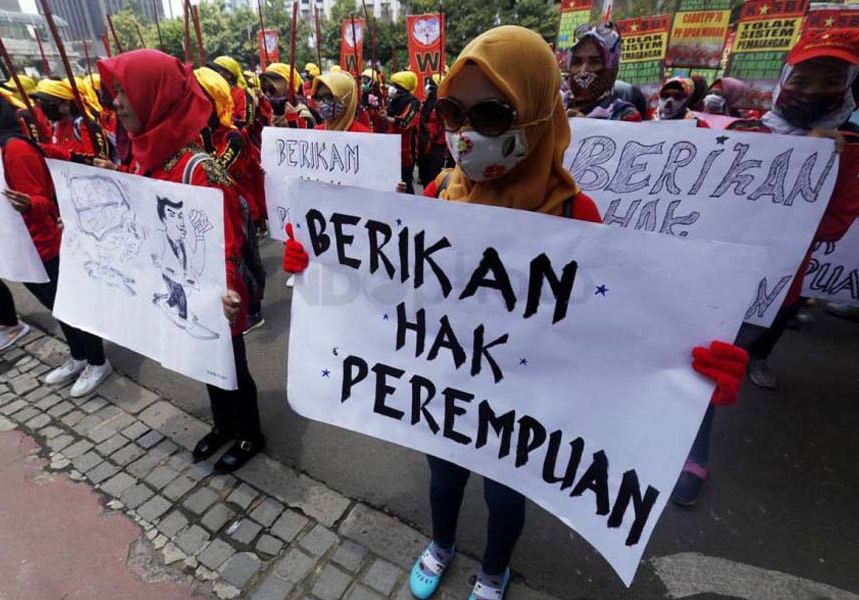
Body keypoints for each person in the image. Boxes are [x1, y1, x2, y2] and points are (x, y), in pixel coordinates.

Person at [282, 26, 748, 599]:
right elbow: (389, 285)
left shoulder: (578, 215)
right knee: (443, 479)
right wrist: (321, 265)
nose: (467, 133)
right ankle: (443, 544)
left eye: (494, 114)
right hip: (446, 387)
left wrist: (689, 365)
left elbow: (616, 326)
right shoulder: (437, 195)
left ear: (535, 113)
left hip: (527, 403)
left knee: (506, 498)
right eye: (454, 112)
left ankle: (494, 570)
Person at [671, 29, 859, 508]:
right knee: (684, 353)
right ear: (785, 78)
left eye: (828, 79)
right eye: (803, 76)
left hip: (766, 288)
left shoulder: (848, 150)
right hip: (706, 268)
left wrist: (824, 166)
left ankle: (691, 453)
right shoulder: (747, 134)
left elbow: (835, 227)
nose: (810, 89)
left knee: (709, 365)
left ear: (845, 88)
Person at [97, 48, 265, 472]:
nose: (115, 102)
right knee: (203, 363)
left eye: (124, 92)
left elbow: (226, 240)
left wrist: (224, 290)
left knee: (231, 365)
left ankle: (249, 434)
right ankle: (223, 425)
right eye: (114, 92)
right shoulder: (146, 164)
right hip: (177, 289)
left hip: (217, 296)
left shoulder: (199, 169)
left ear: (154, 96)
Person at [0, 69, 113, 396]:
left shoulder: (13, 149)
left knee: (71, 306)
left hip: (46, 248)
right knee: (55, 308)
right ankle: (77, 356)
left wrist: (29, 204)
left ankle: (97, 361)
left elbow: (44, 199)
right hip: (16, 247)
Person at [193, 66, 267, 332]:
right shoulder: (200, 137)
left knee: (247, 260)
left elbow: (215, 171)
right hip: (213, 210)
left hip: (238, 207)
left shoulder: (232, 136)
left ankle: (255, 310)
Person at [565, 23, 643, 121]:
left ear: (612, 71)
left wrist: (586, 128)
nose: (583, 71)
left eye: (594, 62)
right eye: (577, 62)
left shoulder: (623, 115)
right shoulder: (552, 106)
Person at [377, 71, 421, 193]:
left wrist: (388, 118)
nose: (391, 88)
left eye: (395, 85)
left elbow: (405, 123)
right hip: (390, 148)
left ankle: (408, 209)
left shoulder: (414, 103)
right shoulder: (392, 101)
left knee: (405, 184)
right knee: (391, 183)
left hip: (406, 152)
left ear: (403, 88)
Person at [417, 74, 450, 188]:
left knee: (433, 175)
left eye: (430, 84)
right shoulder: (427, 102)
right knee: (424, 172)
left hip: (437, 144)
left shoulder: (443, 103)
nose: (427, 87)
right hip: (425, 142)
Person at [258, 63, 315, 129]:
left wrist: (292, 122)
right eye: (264, 90)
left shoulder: (303, 114)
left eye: (272, 89)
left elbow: (305, 137)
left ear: (286, 87)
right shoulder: (272, 114)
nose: (267, 94)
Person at [211, 56, 250, 129]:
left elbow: (243, 121)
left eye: (218, 70)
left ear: (229, 75)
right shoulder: (213, 90)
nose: (215, 73)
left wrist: (222, 118)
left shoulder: (239, 92)